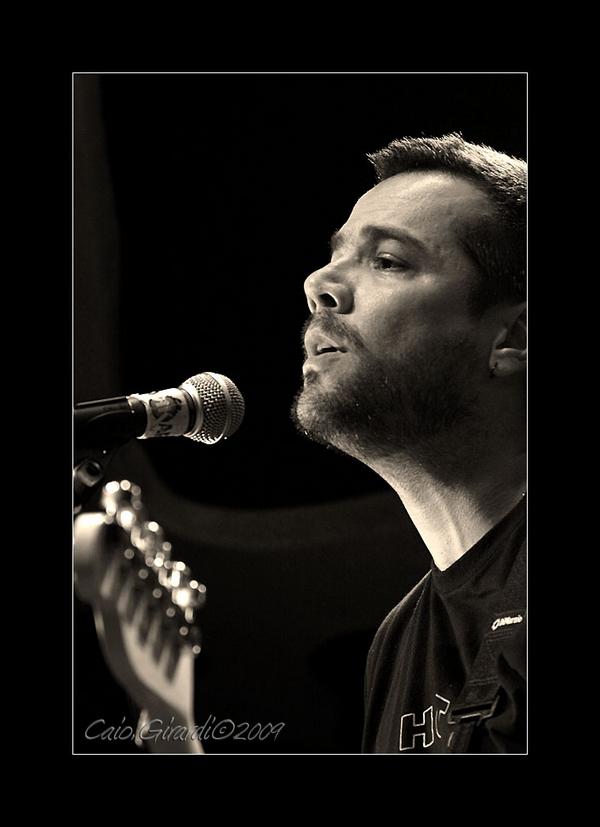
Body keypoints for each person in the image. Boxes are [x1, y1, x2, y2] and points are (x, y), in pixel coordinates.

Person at [291, 132, 526, 754]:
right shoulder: (398, 642)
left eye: (388, 261)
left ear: (513, 337)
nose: (319, 282)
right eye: (335, 254)